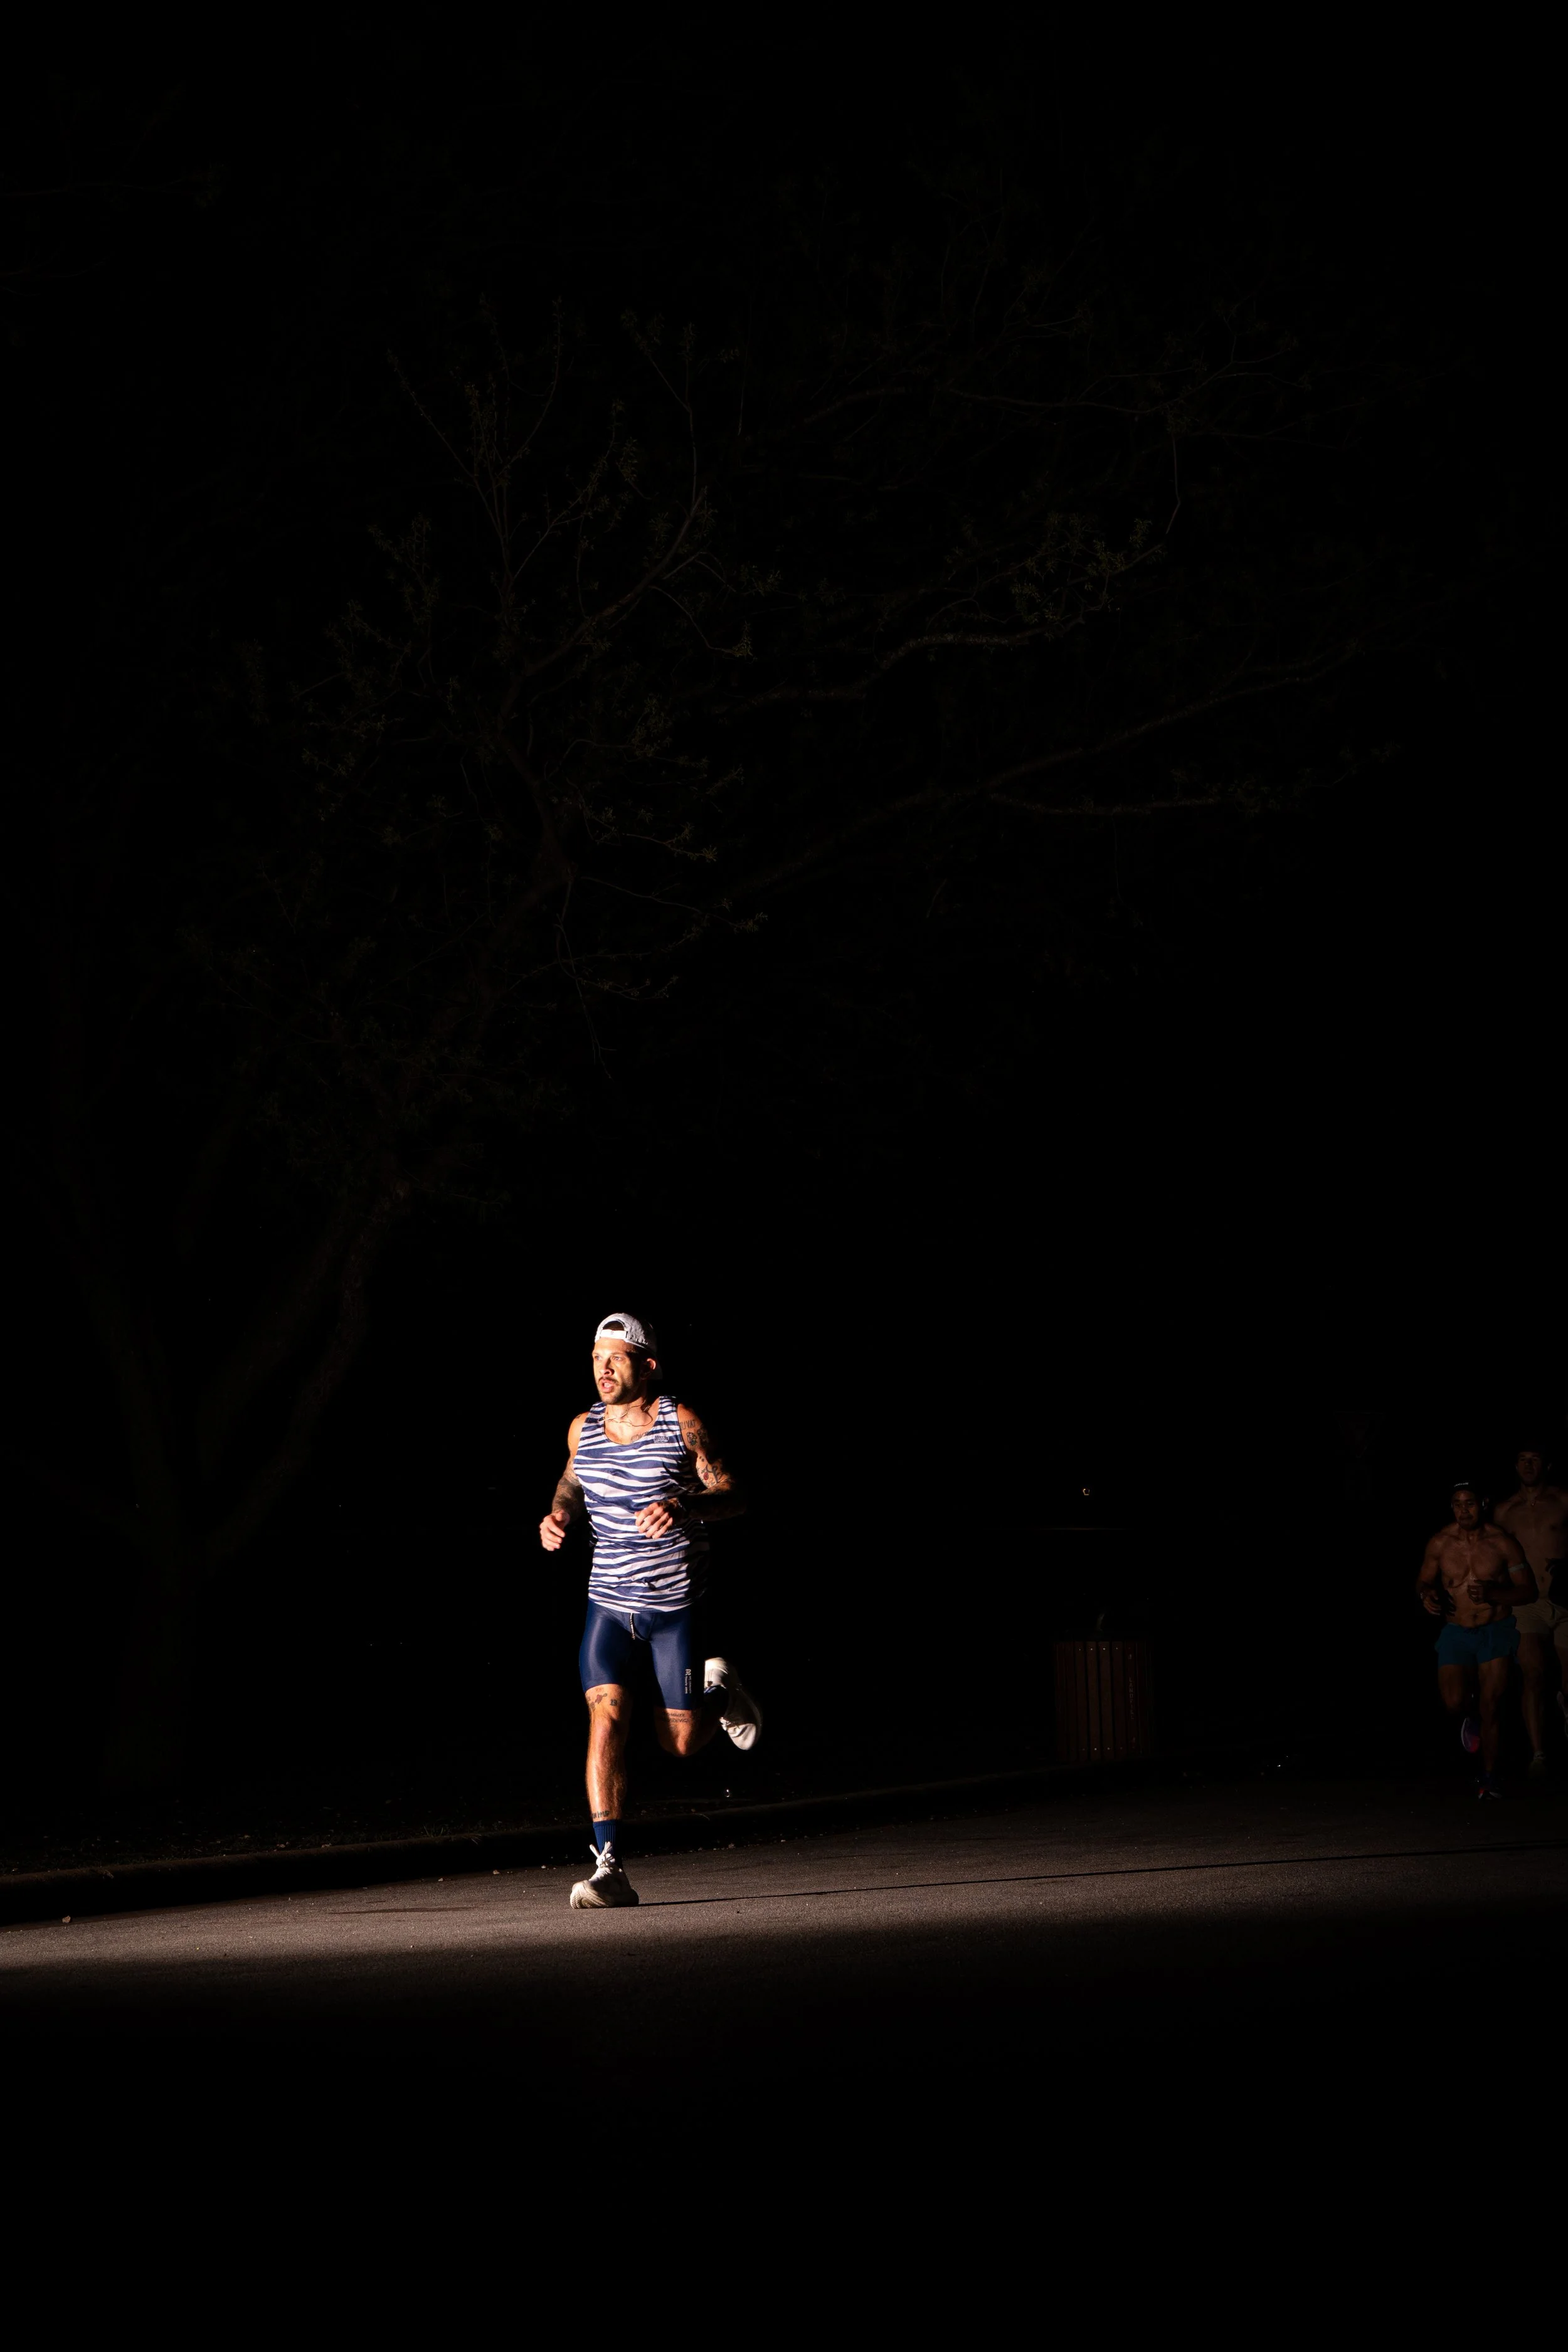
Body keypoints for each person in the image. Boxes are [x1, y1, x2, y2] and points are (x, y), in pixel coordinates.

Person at [538, 1311, 760, 1909]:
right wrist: (559, 1514)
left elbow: (734, 1494)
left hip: (673, 1607)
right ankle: (608, 1867)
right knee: (605, 1716)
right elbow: (571, 1481)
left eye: (615, 1357)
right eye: (594, 1357)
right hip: (607, 1604)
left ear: (648, 1365)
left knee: (680, 1744)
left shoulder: (680, 1422)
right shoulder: (581, 1428)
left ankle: (721, 1693)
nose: (602, 1369)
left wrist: (685, 1507)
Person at [1417, 1480, 1536, 1796]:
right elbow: (1424, 1582)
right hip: (1456, 1631)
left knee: (1492, 1705)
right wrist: (1427, 1596)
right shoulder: (1440, 1542)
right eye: (1457, 1503)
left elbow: (1528, 1591)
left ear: (1483, 1504)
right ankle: (1469, 1716)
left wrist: (1494, 1592)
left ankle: (1489, 1776)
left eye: (1469, 1503)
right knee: (1454, 1702)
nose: (1463, 1510)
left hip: (1495, 1630)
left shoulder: (1502, 1543)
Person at [1495, 1444, 1568, 1777]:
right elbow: (1494, 1558)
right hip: (1527, 1604)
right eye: (1522, 1459)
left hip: (1566, 1600)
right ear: (1515, 1466)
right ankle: (1538, 1754)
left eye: (1535, 1458)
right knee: (1533, 1676)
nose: (1528, 1465)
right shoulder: (1504, 1511)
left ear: (1547, 1465)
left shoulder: (1563, 1500)